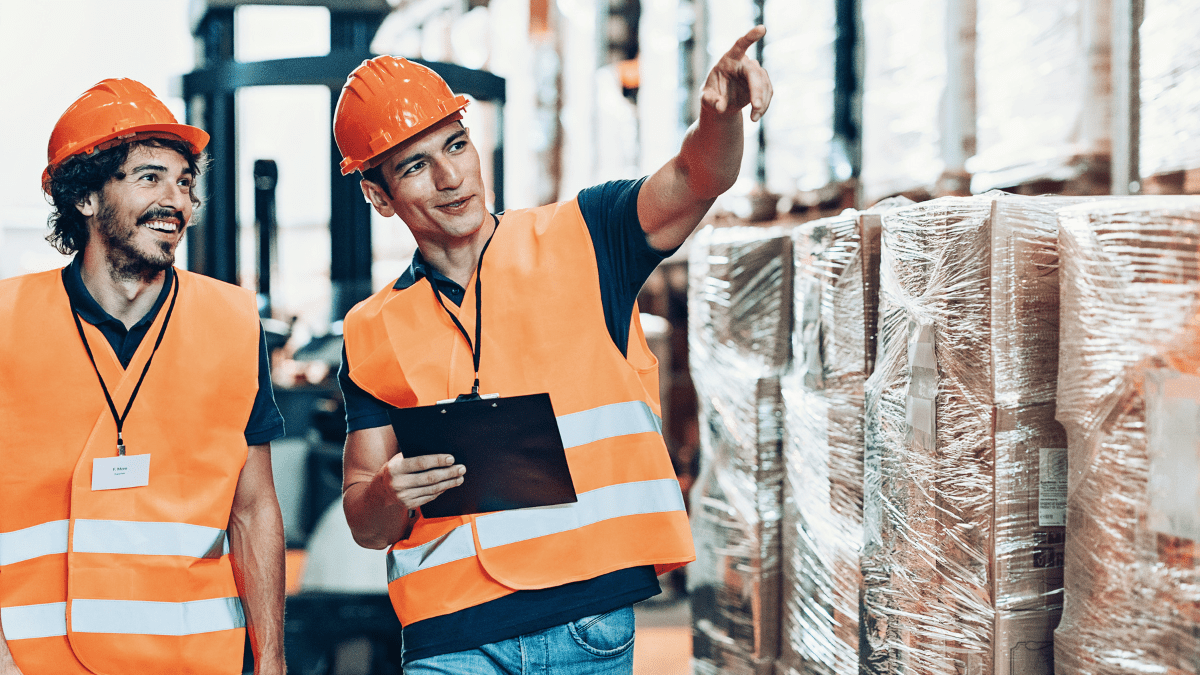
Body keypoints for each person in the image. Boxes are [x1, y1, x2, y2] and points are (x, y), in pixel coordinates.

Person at [334, 26, 773, 674]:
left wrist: (721, 116)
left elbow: (697, 174)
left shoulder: (584, 235)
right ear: (378, 194)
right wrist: (387, 494)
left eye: (456, 144)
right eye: (415, 165)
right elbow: (367, 523)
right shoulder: (372, 327)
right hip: (450, 632)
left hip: (583, 619)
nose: (451, 175)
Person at [0, 79, 287, 675]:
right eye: (149, 177)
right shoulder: (6, 321)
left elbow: (254, 508)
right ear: (85, 198)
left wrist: (272, 658)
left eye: (184, 182)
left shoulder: (232, 322)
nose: (176, 200)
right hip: (37, 661)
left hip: (193, 660)